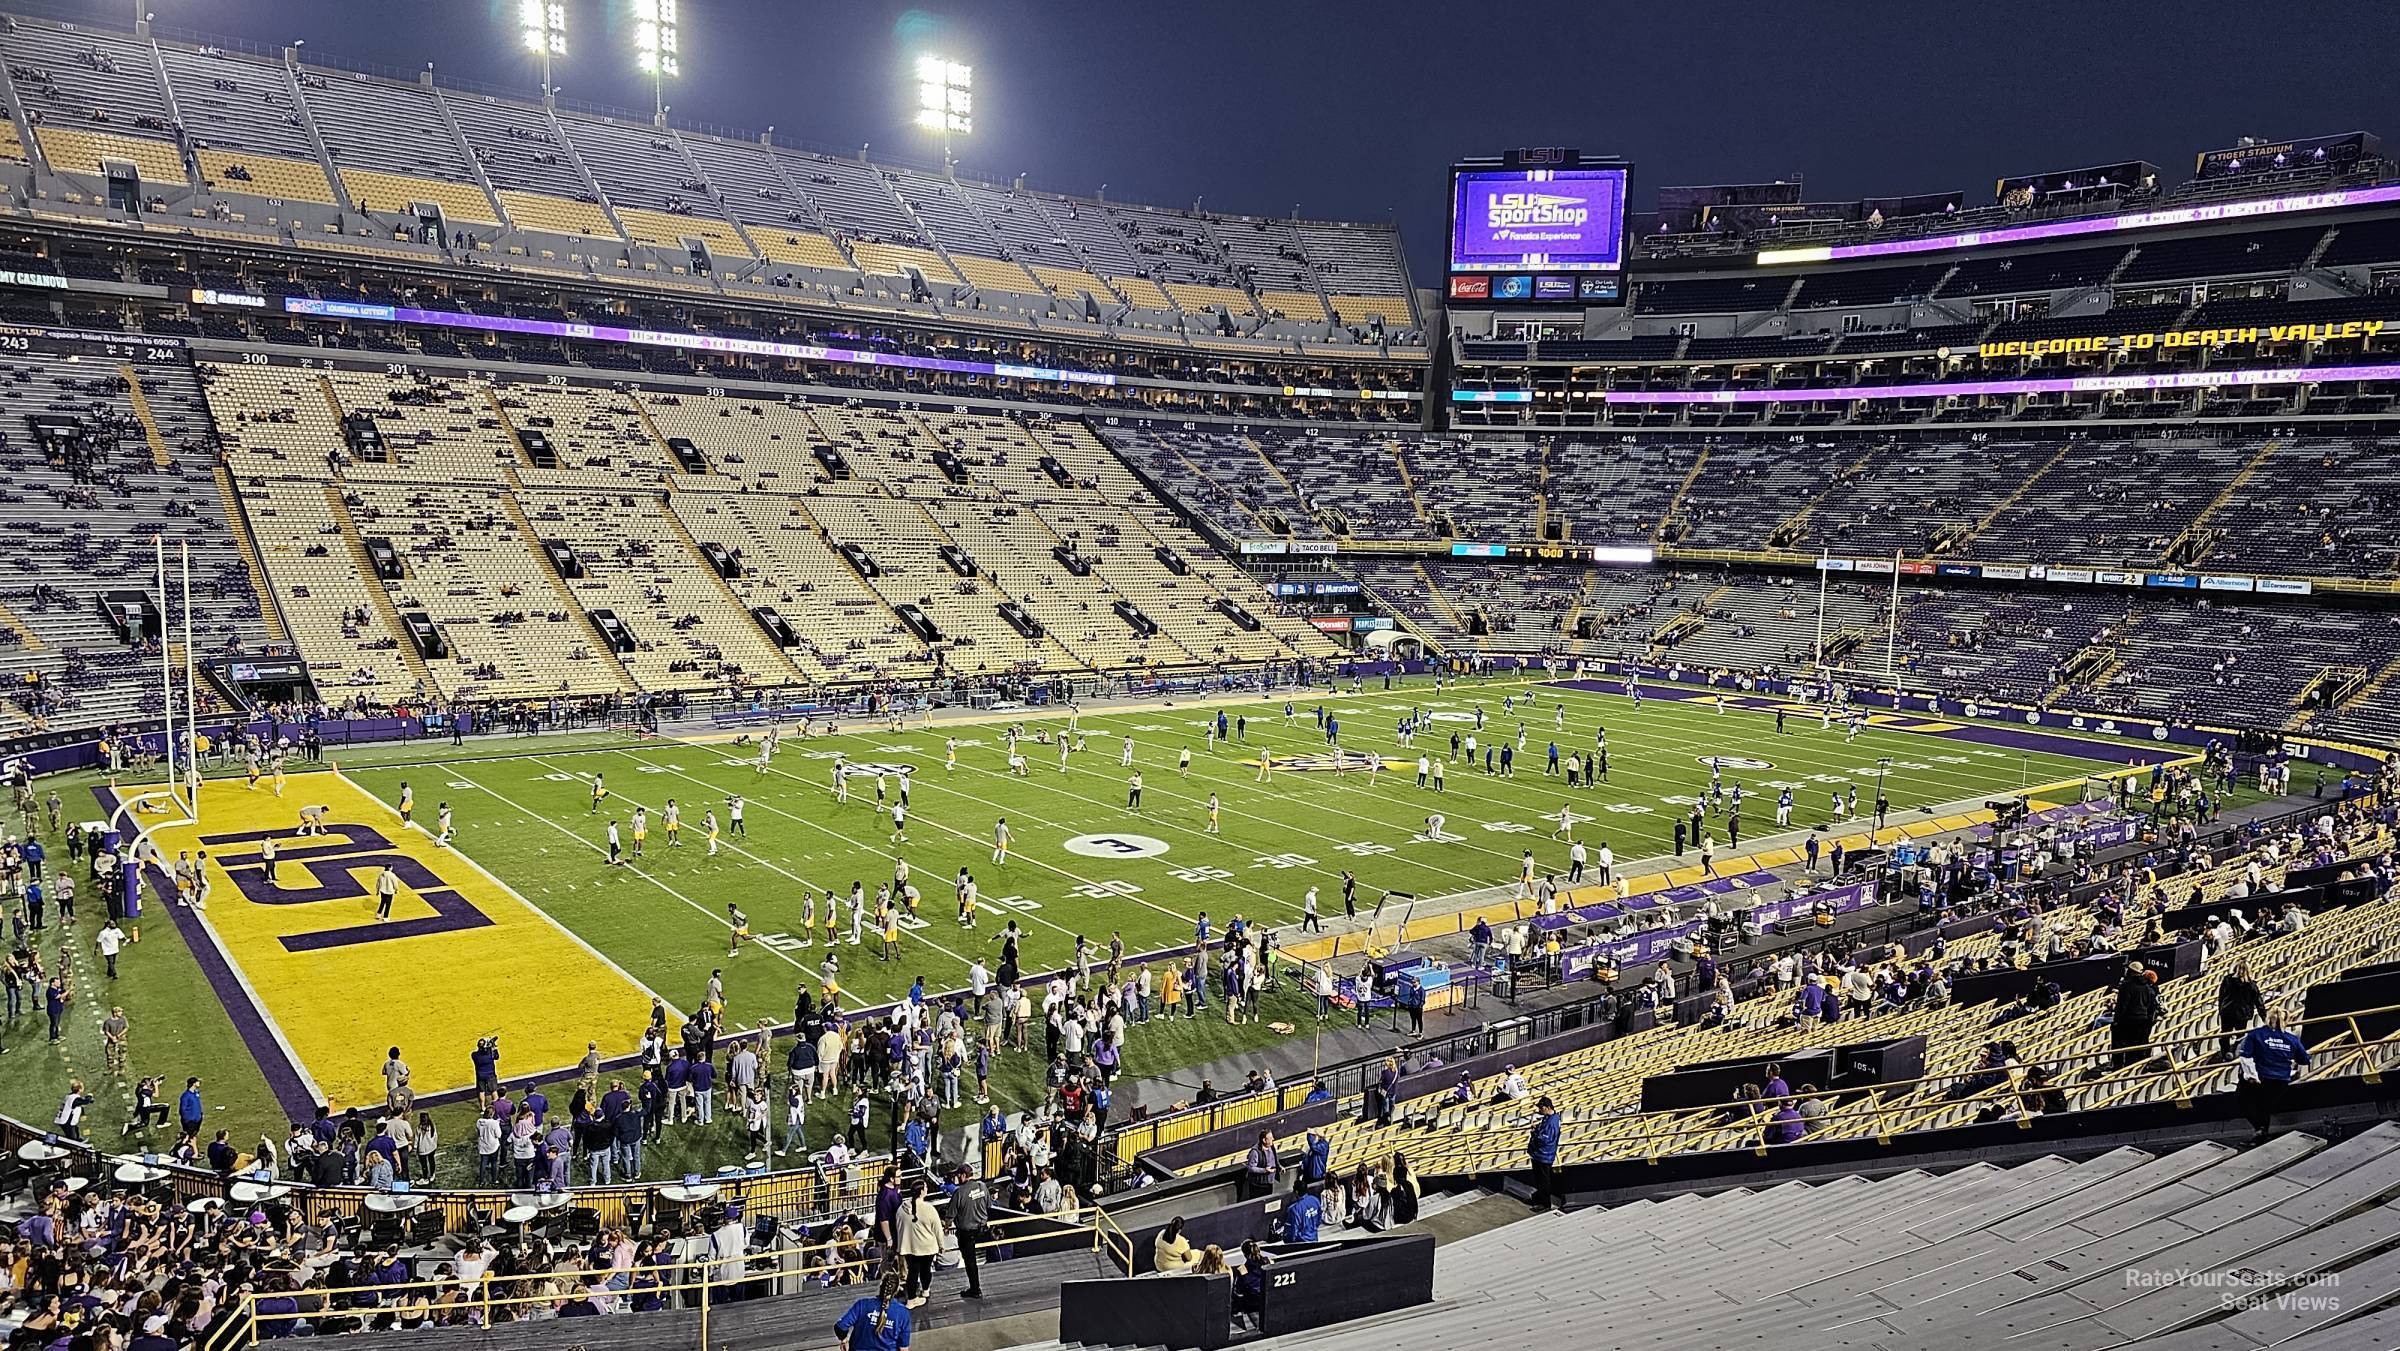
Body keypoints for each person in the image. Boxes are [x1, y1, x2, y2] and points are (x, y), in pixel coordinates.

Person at [2236, 1013, 2311, 1144]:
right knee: (2264, 1107)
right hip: (2280, 1080)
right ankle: (2261, 1133)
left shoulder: (2255, 1034)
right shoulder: (2292, 1039)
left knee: (2245, 1102)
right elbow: (2304, 1060)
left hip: (2260, 1077)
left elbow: (2245, 1056)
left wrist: (2252, 1076)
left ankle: (2260, 1131)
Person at [834, 1269, 913, 1351]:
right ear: (896, 1290)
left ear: (881, 1286)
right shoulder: (903, 1313)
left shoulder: (862, 1304)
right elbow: (903, 1348)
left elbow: (840, 1327)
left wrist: (844, 1340)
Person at [897, 1177, 944, 1306]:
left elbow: (898, 1226)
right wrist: (941, 1245)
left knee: (912, 1272)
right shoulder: (929, 1209)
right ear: (922, 1191)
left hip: (908, 1247)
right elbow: (937, 1229)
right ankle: (925, 1291)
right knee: (926, 1270)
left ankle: (911, 1298)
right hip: (927, 1246)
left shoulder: (901, 1209)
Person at [951, 1163, 993, 1298]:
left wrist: (946, 1227)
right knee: (977, 1259)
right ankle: (975, 1288)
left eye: (958, 1175)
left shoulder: (959, 1192)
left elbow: (950, 1214)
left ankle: (975, 1289)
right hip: (982, 1230)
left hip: (966, 1232)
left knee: (970, 1262)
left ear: (963, 1175)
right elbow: (989, 1205)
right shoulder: (982, 1186)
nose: (957, 1178)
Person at [1527, 1095, 1561, 1210]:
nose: (1539, 1110)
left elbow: (1545, 1139)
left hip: (1544, 1155)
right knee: (1538, 1179)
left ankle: (1545, 1204)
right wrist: (1537, 1129)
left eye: (1541, 1108)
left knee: (1543, 1181)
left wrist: (1535, 1133)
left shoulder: (1552, 1122)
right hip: (1539, 1154)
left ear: (1547, 1107)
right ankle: (1538, 1198)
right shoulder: (1549, 1118)